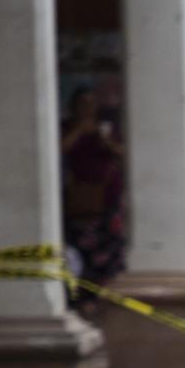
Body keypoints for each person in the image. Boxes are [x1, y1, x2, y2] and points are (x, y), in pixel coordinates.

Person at [59, 85, 125, 295]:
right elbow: (59, 149)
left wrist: (105, 140)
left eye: (91, 104)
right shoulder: (67, 127)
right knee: (77, 249)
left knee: (109, 246)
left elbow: (122, 152)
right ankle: (82, 293)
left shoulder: (105, 128)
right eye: (83, 105)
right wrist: (79, 130)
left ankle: (104, 291)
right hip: (78, 198)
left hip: (107, 196)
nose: (87, 109)